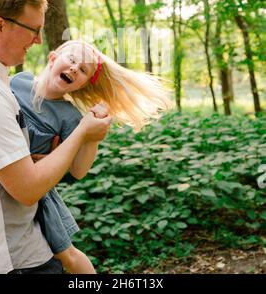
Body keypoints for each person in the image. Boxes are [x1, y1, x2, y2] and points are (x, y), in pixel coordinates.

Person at [0, 0, 111, 274]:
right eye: (33, 30)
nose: (38, 40)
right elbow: (27, 187)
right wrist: (83, 133)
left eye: (83, 70)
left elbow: (73, 170)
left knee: (67, 253)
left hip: (20, 226)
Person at [10, 39, 171, 273]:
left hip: (35, 187)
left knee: (66, 255)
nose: (75, 68)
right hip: (2, 170)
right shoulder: (18, 81)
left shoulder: (69, 116)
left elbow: (79, 170)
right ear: (53, 57)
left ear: (83, 84)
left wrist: (92, 135)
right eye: (72, 60)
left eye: (83, 69)